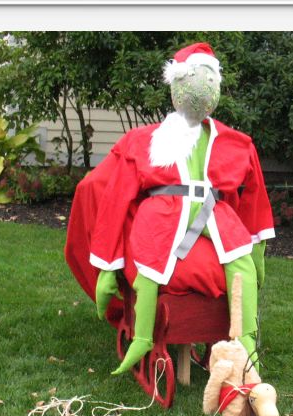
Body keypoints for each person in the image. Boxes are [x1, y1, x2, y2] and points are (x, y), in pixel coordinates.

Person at [67, 42, 274, 375]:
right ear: (177, 85)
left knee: (242, 264)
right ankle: (143, 339)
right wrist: (107, 267)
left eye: (211, 79)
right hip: (162, 214)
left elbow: (254, 198)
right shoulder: (144, 140)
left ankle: (246, 339)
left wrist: (257, 250)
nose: (205, 87)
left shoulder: (236, 143)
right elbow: (115, 198)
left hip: (214, 212)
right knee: (150, 264)